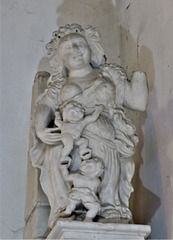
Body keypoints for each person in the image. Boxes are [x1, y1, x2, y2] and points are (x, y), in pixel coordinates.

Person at [31, 24, 148, 228]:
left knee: (108, 157)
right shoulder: (58, 85)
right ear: (61, 59)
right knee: (57, 147)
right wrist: (41, 129)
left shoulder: (109, 74)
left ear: (91, 48)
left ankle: (109, 204)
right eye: (67, 49)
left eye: (79, 44)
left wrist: (139, 76)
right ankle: (67, 206)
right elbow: (44, 107)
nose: (74, 50)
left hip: (105, 134)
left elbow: (137, 102)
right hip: (70, 135)